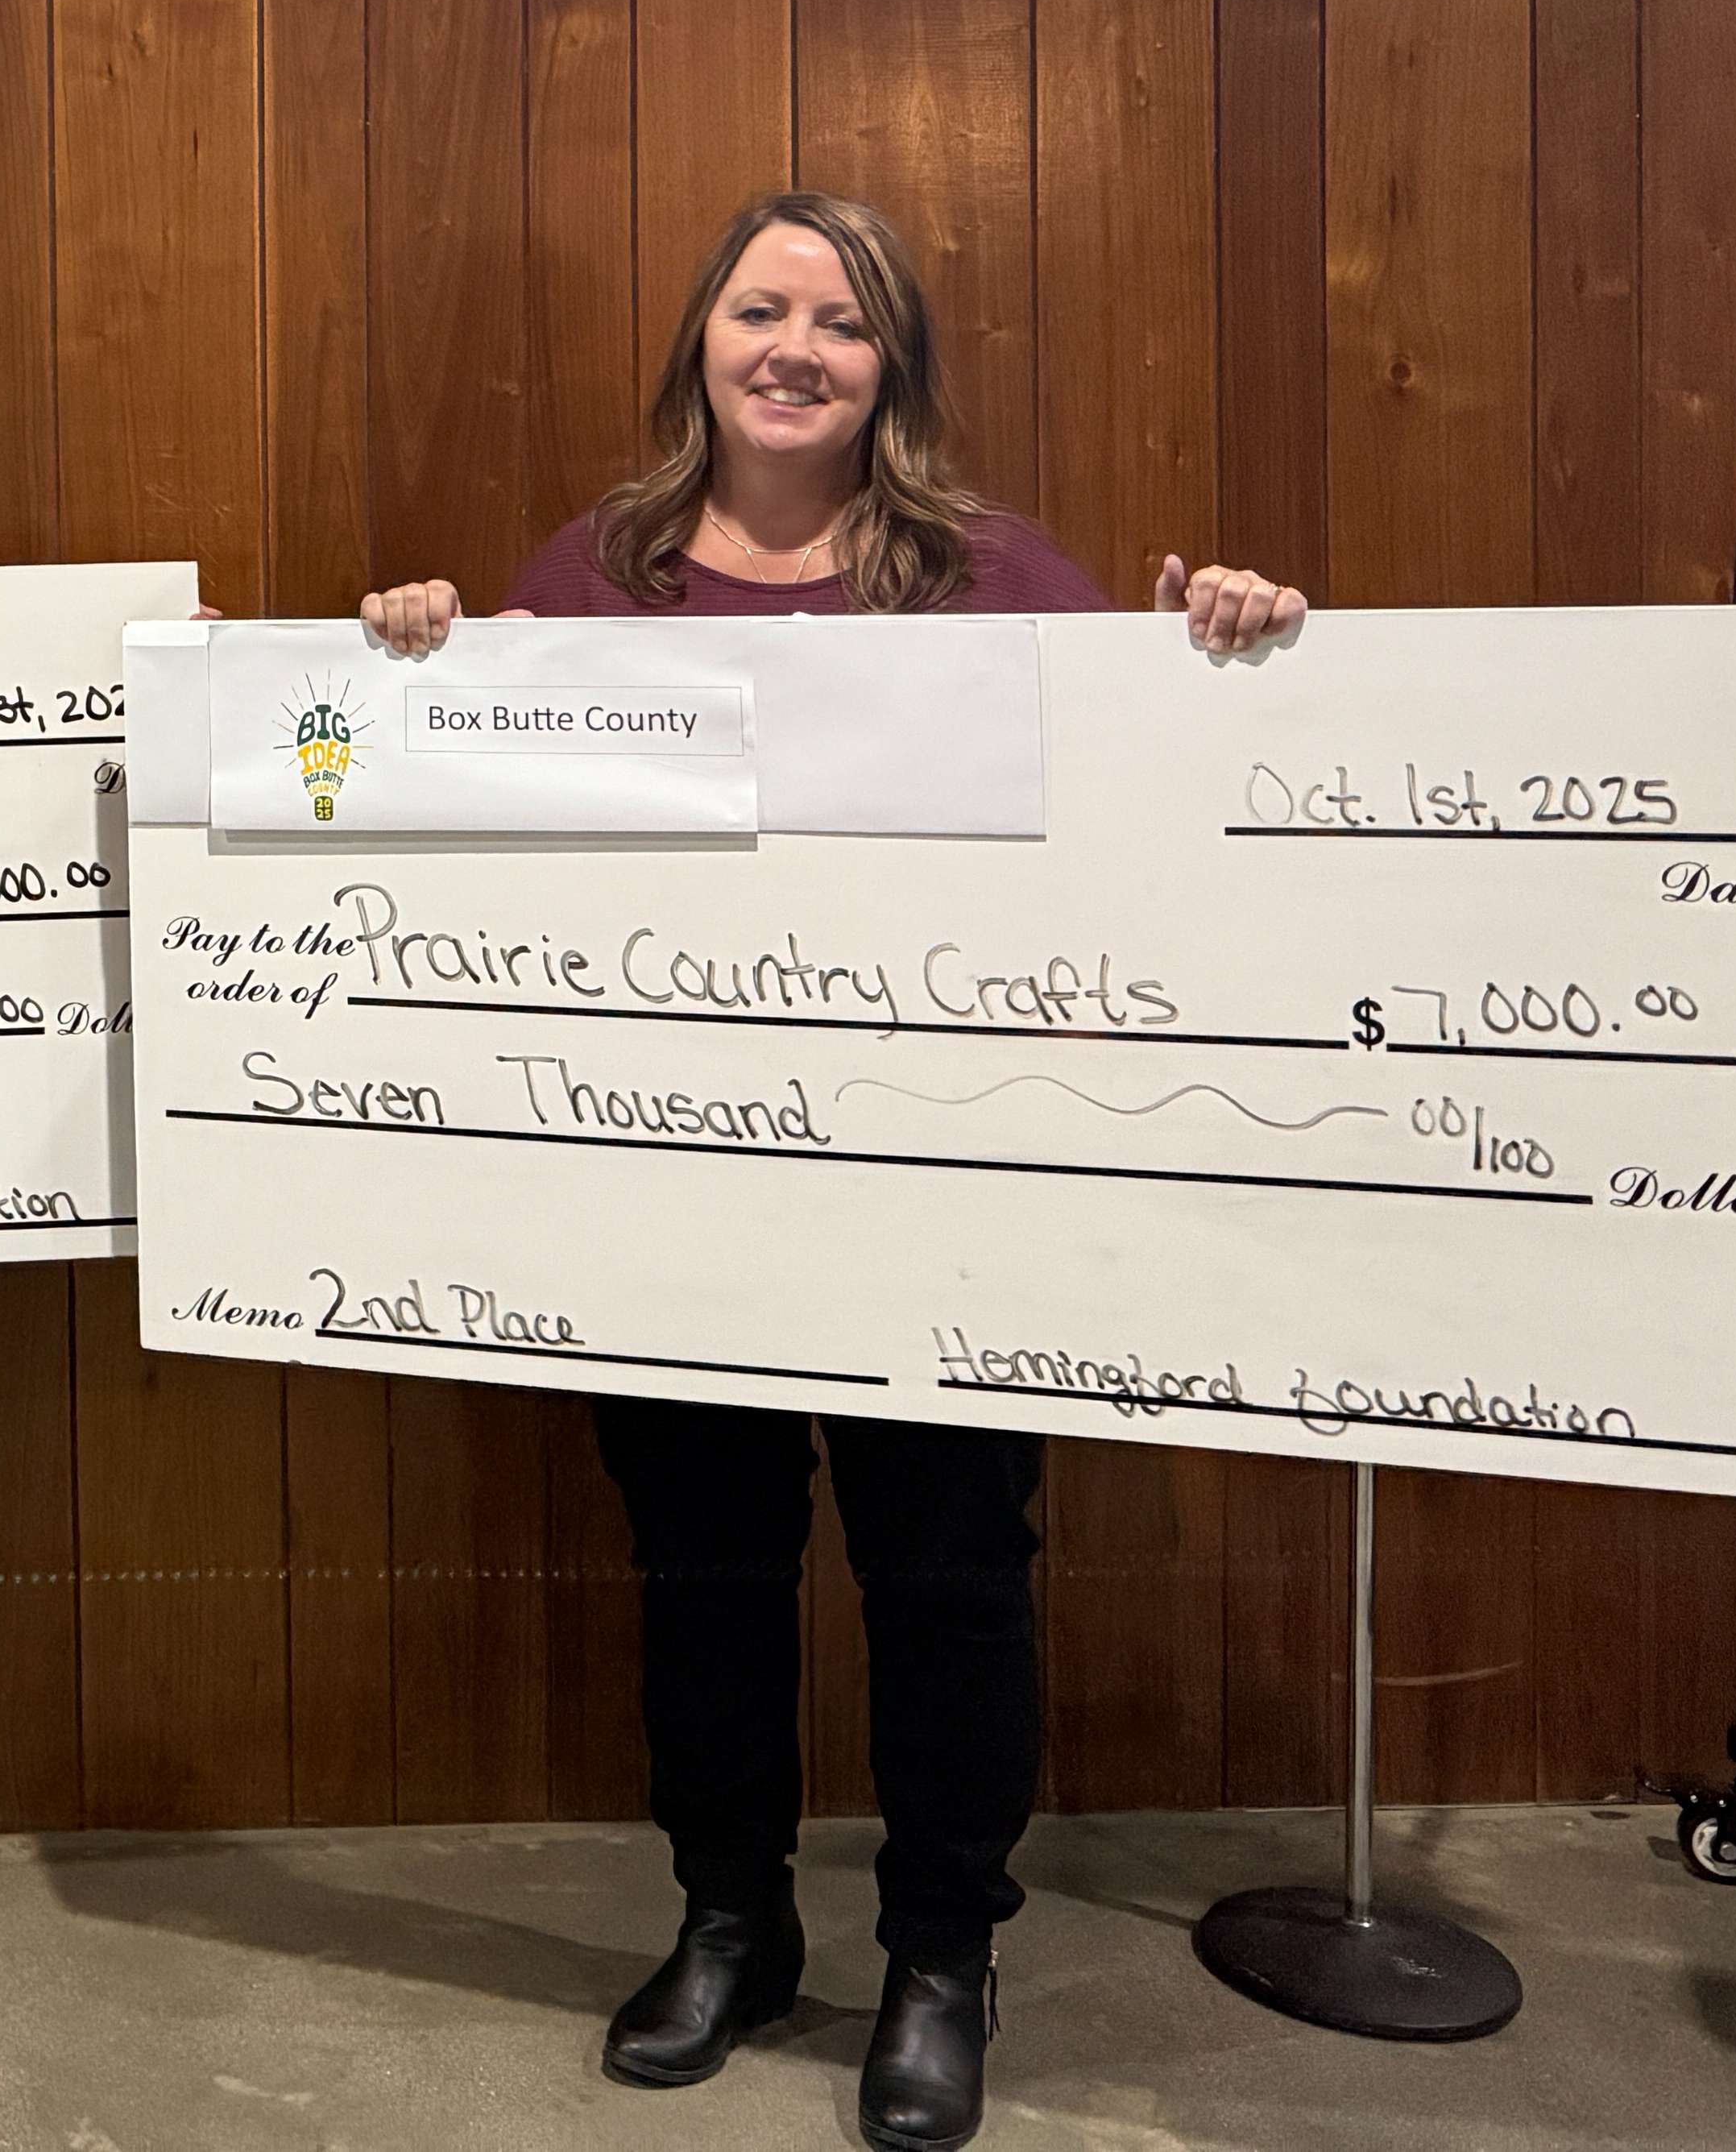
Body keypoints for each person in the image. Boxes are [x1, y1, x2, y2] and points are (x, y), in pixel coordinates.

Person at [354, 186, 1299, 2152]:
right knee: (707, 1569)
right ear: (699, 338)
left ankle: (944, 1959)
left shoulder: (1001, 576)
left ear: (895, 370)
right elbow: (443, 837)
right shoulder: (589, 578)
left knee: (949, 1579)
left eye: (844, 323)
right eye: (761, 307)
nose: (795, 348)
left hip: (948, 1201)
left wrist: (1232, 653)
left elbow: (1155, 828)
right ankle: (734, 1924)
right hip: (670, 1202)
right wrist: (408, 669)